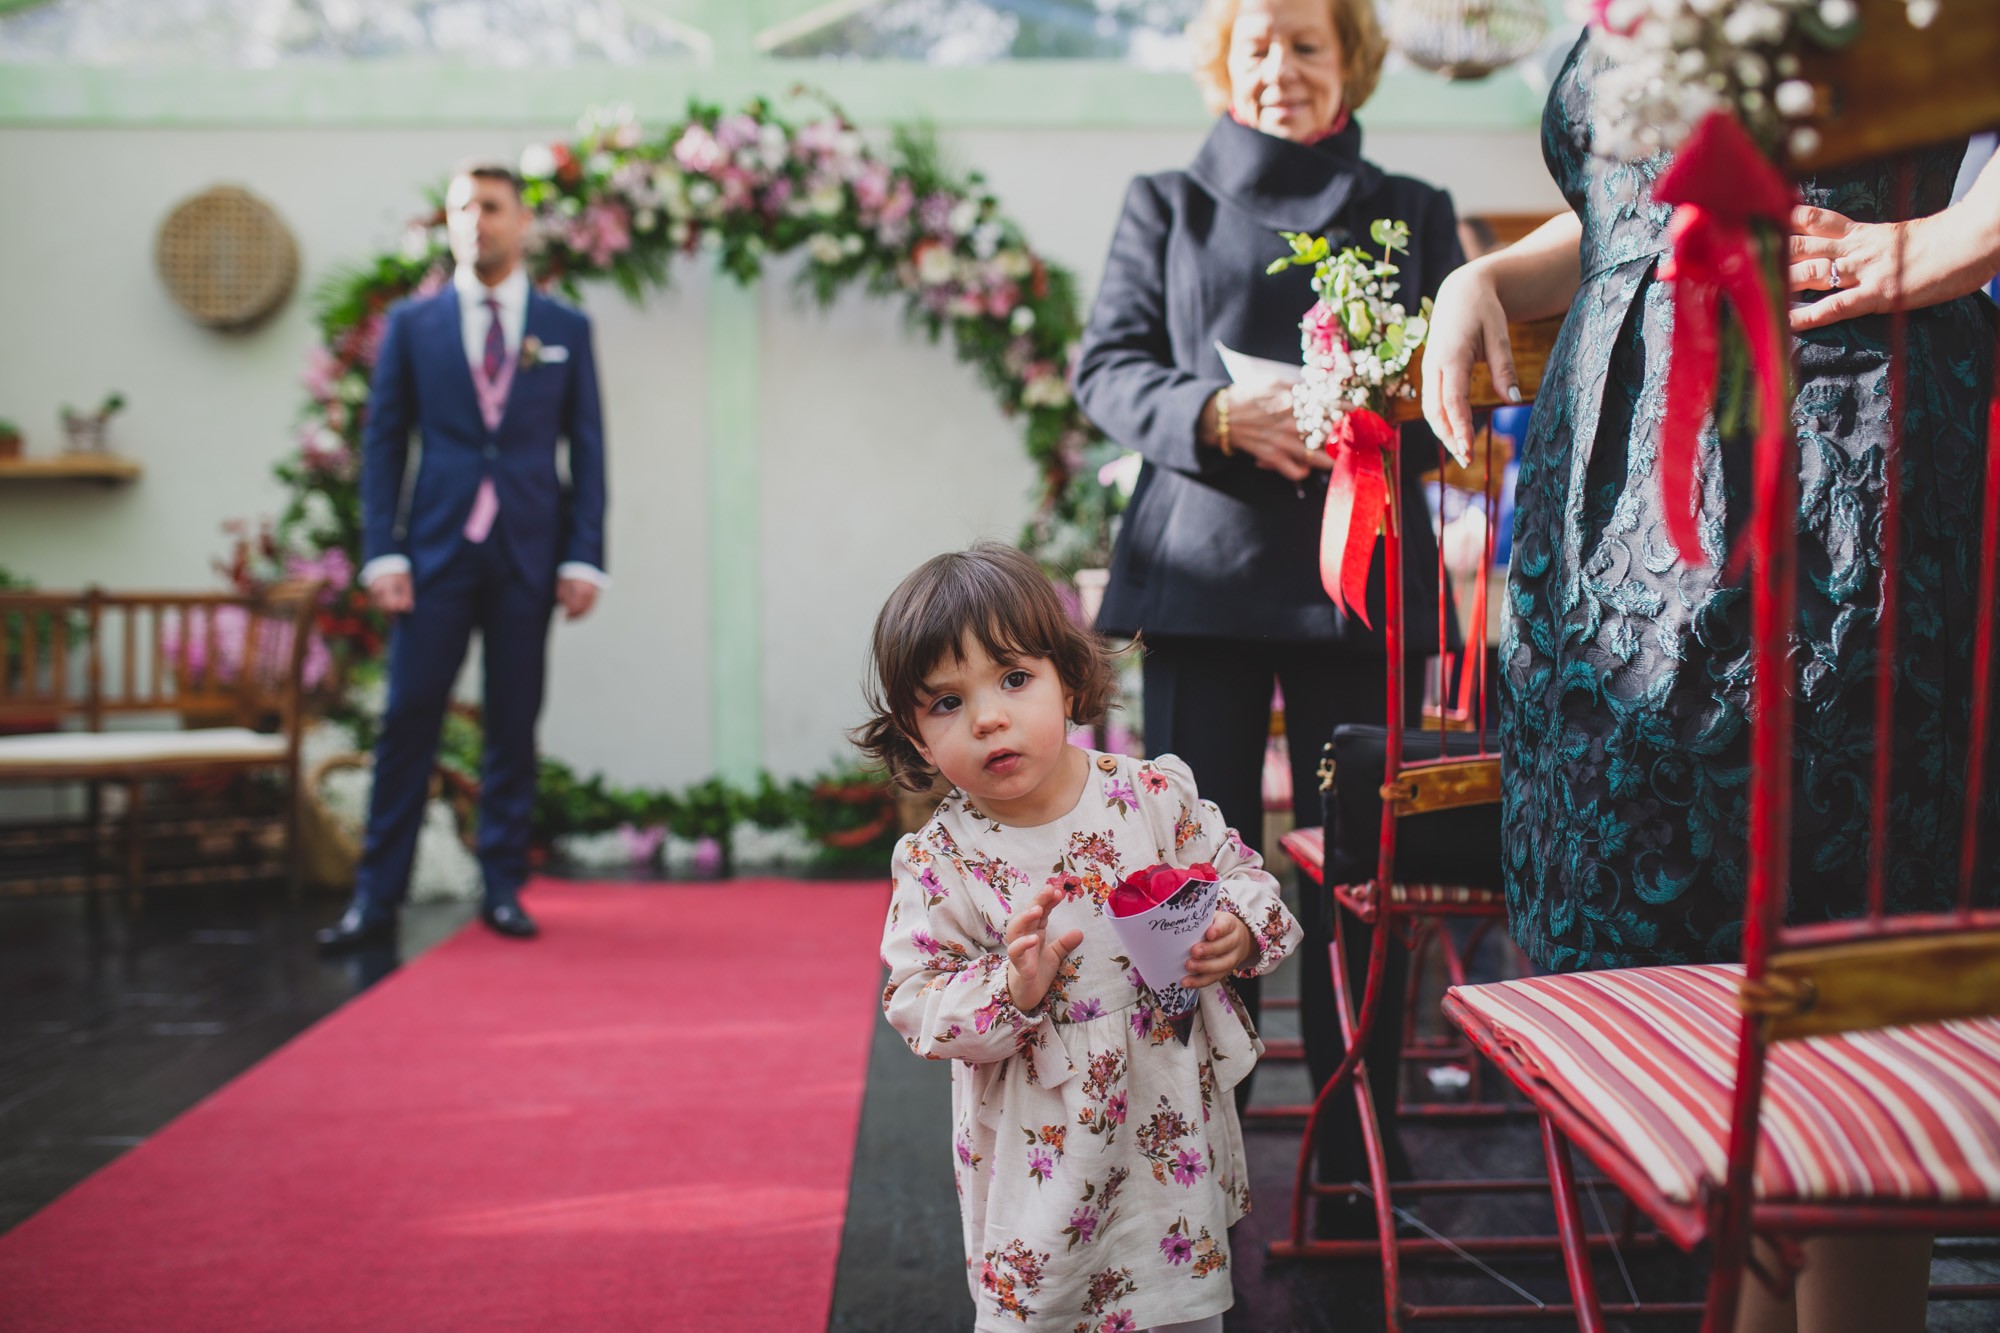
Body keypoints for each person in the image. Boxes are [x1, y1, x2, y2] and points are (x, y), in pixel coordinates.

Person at [1422, 33, 2000, 1333]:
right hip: (1629, 514)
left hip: (1834, 445)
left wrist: (1959, 236)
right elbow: (1641, 201)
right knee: (1714, 989)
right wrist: (1491, 277)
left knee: (1845, 956)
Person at [1072, 0, 1463, 1203]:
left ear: (1352, 59)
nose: (1281, 67)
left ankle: (1358, 1137)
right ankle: (1197, 1141)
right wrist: (1209, 412)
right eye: (1257, 45)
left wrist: (1373, 406)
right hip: (1200, 579)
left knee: (1364, 869)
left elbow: (1461, 391)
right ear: (1219, 66)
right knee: (1193, 869)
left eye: (1306, 44)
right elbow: (1107, 365)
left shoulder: (1412, 208)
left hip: (1361, 580)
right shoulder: (1165, 203)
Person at [863, 545, 1301, 1333]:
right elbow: (916, 1001)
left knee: (1180, 1307)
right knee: (1046, 1312)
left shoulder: (1152, 797)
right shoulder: (941, 861)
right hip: (1045, 1146)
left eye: (1013, 678)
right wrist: (1011, 985)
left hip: (1165, 1132)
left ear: (1068, 675)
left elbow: (1244, 876)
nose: (987, 716)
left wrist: (1236, 929)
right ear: (917, 736)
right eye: (945, 702)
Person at [318, 161, 609, 953]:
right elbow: (382, 445)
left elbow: (586, 448)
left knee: (513, 725)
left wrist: (585, 557)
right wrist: (382, 552)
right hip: (436, 554)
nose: (475, 219)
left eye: (490, 206)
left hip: (527, 552)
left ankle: (504, 888)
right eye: (460, 208)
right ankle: (373, 901)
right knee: (410, 719)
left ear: (521, 221)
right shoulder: (413, 327)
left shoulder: (565, 327)